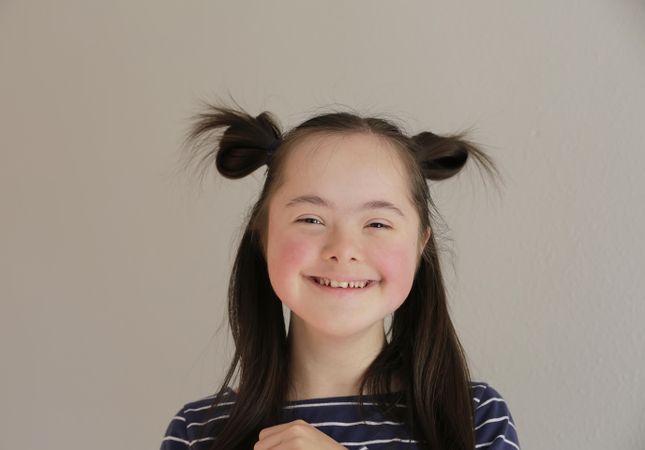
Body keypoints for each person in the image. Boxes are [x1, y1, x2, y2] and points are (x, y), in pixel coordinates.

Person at [160, 102, 521, 449]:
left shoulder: (475, 418)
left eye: (378, 223)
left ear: (420, 244)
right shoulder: (198, 432)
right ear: (263, 234)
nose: (343, 249)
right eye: (311, 220)